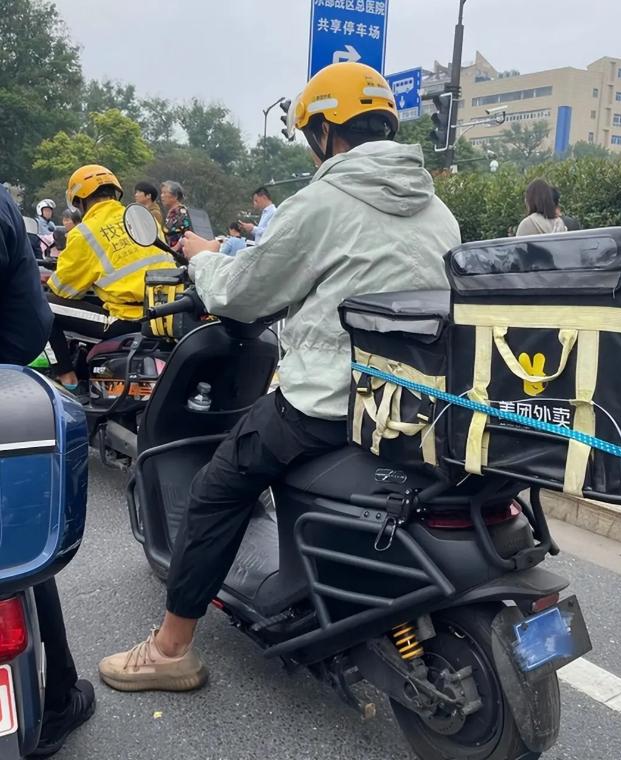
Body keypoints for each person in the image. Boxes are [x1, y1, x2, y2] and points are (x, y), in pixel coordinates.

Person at [98, 61, 461, 692]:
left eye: (311, 134)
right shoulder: (438, 211)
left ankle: (171, 649)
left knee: (218, 489)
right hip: (412, 404)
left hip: (327, 405)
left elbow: (242, 294)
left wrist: (205, 260)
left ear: (325, 131)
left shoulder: (324, 200)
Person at [0, 183, 95, 756]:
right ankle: (57, 693)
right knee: (16, 537)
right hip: (15, 363)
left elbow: (62, 280)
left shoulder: (80, 233)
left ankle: (57, 692)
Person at [46, 164, 174, 391]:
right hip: (164, 314)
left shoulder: (84, 233)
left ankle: (67, 377)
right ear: (115, 192)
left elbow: (63, 290)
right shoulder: (144, 218)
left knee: (41, 305)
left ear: (80, 201)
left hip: (125, 320)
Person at [160, 180, 192, 250]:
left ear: (175, 196)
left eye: (165, 193)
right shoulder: (172, 212)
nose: (162, 196)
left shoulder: (181, 212)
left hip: (180, 255)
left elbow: (187, 233)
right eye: (161, 193)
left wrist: (175, 249)